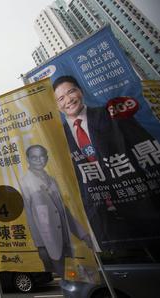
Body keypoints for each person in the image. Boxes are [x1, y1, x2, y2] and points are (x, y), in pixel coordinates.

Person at [53, 75, 160, 248]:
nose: (68, 100)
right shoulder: (59, 138)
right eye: (61, 98)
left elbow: (148, 150)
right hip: (102, 220)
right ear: (57, 105)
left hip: (140, 206)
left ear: (80, 91)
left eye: (71, 91)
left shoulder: (111, 114)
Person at [20, 145, 92, 277]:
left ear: (47, 158)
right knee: (65, 277)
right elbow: (29, 216)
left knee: (75, 278)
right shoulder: (25, 183)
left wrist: (82, 234)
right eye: (34, 157)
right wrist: (40, 244)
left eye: (42, 156)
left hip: (66, 239)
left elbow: (63, 211)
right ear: (28, 159)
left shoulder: (52, 180)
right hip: (49, 241)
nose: (39, 160)